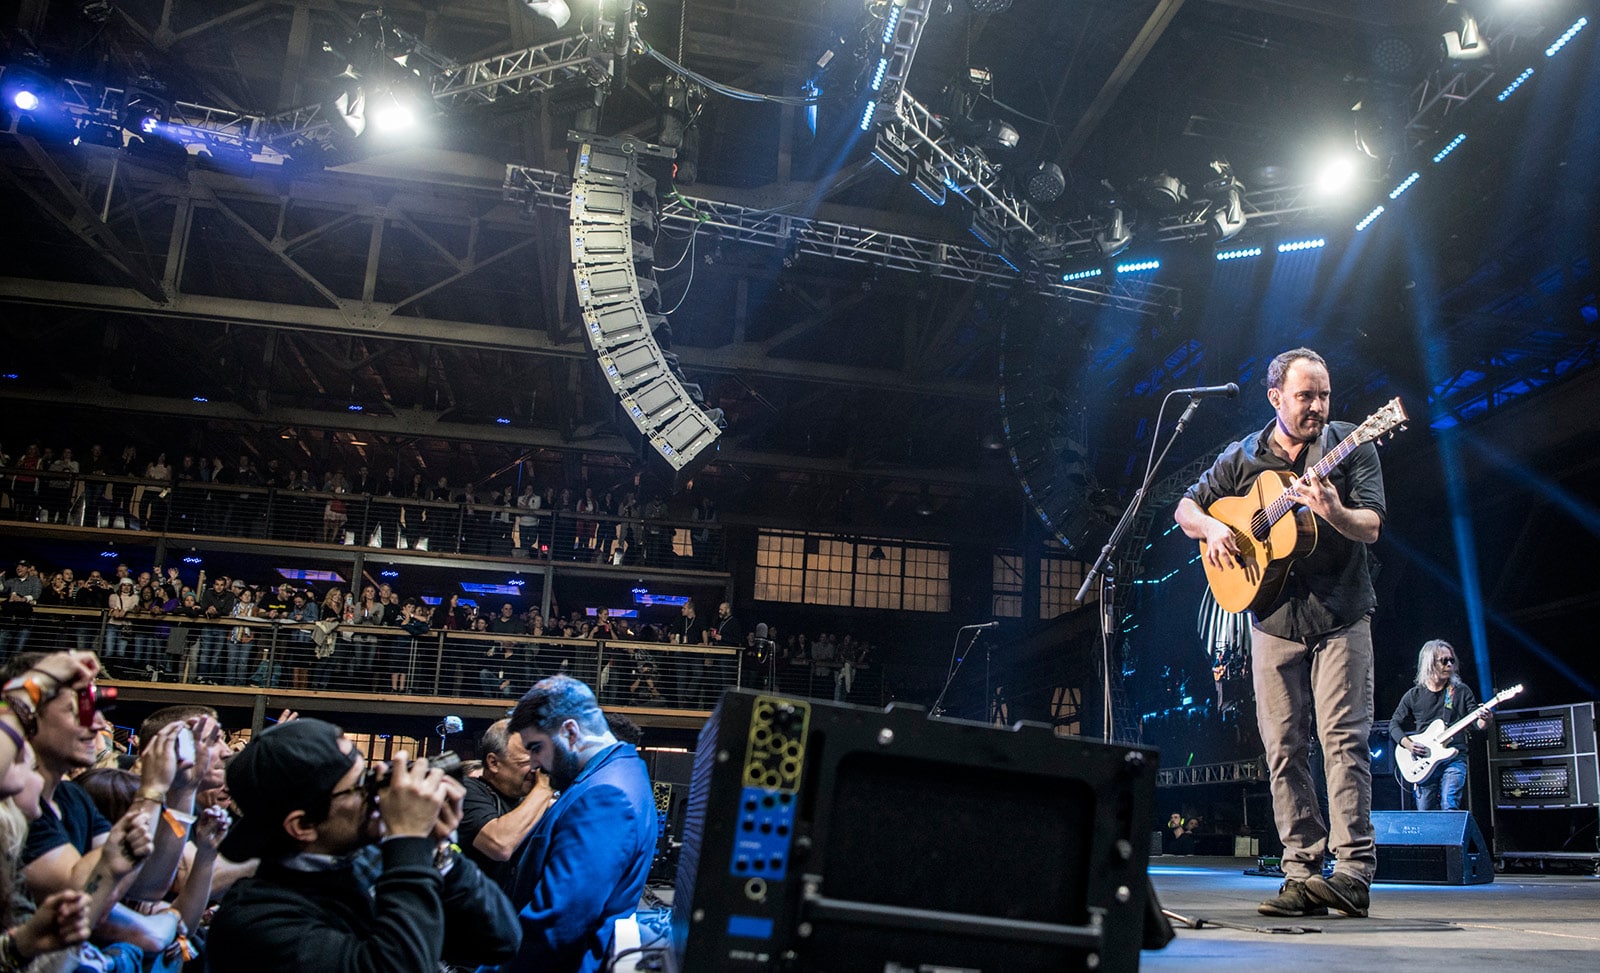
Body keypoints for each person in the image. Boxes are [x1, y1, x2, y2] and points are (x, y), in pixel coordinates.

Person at [1174, 347, 1386, 920]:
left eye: (1323, 394)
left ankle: (1351, 874)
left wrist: (1334, 511)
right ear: (1275, 398)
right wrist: (1217, 527)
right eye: (1305, 396)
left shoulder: (1352, 441)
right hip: (1271, 621)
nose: (1317, 405)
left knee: (1342, 741)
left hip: (1340, 615)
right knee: (1283, 750)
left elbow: (1370, 525)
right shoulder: (1243, 455)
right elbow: (1185, 509)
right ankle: (1300, 873)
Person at [206, 718, 520, 972]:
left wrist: (439, 853)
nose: (378, 790)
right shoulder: (254, 923)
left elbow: (500, 941)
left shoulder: (370, 858)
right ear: (302, 825)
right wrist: (407, 842)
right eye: (359, 786)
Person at [501, 676, 656, 973]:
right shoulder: (616, 773)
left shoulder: (605, 795)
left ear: (570, 731)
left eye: (536, 747)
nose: (533, 763)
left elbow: (558, 923)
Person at [1390, 639, 1487, 811]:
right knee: (1425, 812)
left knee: (1449, 804)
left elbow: (1477, 725)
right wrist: (1409, 745)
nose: (1450, 664)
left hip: (1454, 757)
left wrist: (1485, 719)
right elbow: (1394, 725)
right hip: (1425, 759)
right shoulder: (1414, 695)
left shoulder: (1461, 691)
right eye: (1444, 661)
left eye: (1452, 660)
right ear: (1430, 663)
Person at [459, 719, 553, 893]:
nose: (537, 769)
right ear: (493, 762)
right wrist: (544, 787)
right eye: (528, 761)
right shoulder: (465, 791)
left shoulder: (528, 801)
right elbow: (500, 844)